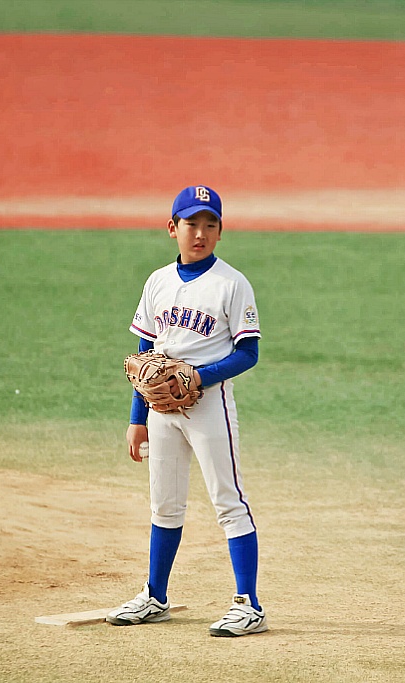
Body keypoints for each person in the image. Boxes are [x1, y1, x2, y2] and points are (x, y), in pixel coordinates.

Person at [106, 185, 266, 637]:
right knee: (164, 505)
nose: (200, 233)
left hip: (210, 408)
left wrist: (199, 377)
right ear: (172, 228)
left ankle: (249, 605)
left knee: (228, 502)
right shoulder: (158, 281)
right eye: (191, 224)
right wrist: (137, 419)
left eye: (210, 225)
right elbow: (146, 356)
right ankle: (155, 596)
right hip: (161, 412)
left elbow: (248, 353)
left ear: (220, 232)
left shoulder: (232, 284)